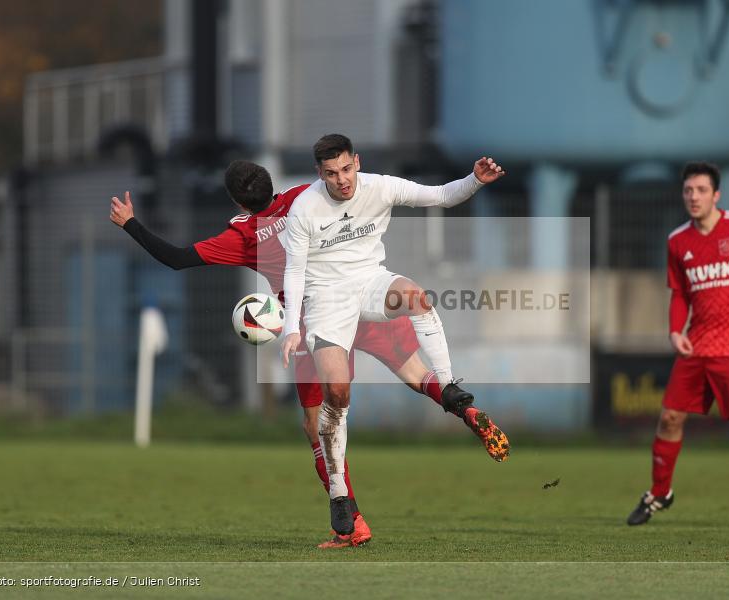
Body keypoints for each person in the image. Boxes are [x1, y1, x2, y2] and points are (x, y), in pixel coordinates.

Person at [109, 160, 509, 549]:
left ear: (239, 203)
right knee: (418, 374)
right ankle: (464, 409)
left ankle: (351, 521)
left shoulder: (244, 236)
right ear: (272, 185)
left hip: (315, 325)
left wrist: (130, 223)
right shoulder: (307, 196)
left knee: (317, 424)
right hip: (363, 300)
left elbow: (176, 259)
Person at [280, 134, 507, 542]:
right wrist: (291, 329)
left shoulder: (380, 186)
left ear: (357, 162)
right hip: (326, 301)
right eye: (331, 174)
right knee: (337, 394)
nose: (342, 180)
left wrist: (474, 180)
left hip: (369, 283)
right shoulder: (304, 208)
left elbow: (440, 196)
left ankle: (450, 384)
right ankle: (338, 494)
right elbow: (294, 271)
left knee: (418, 297)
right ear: (320, 174)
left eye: (347, 169)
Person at [626, 161, 729, 528]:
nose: (693, 197)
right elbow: (679, 295)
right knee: (669, 418)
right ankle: (660, 493)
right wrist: (675, 331)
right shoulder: (677, 240)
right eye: (688, 191)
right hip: (698, 346)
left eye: (701, 190)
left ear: (716, 194)